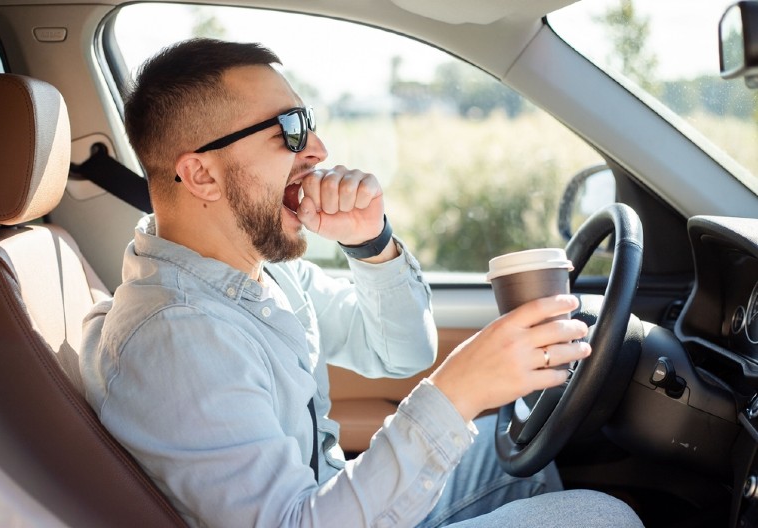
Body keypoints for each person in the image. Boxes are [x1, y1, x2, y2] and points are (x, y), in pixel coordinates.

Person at [80, 38, 643, 527]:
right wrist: (460, 391)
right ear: (202, 174)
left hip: (332, 497)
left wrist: (371, 246)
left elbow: (401, 351)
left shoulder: (260, 271)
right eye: (289, 131)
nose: (319, 150)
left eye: (309, 122)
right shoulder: (179, 338)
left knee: (526, 454)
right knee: (601, 518)